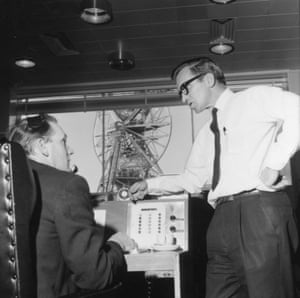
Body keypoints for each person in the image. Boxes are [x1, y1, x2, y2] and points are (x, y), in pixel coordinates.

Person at [129, 57, 300, 298]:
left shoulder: (253, 98)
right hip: (219, 219)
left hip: (256, 212)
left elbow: (297, 109)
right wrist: (149, 184)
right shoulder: (206, 132)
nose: (183, 98)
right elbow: (192, 180)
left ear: (208, 79)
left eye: (184, 88)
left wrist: (275, 163)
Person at [9, 114, 136, 298]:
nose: (70, 149)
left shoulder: (8, 183)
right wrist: (116, 245)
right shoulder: (66, 185)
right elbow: (95, 276)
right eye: (63, 141)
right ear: (42, 146)